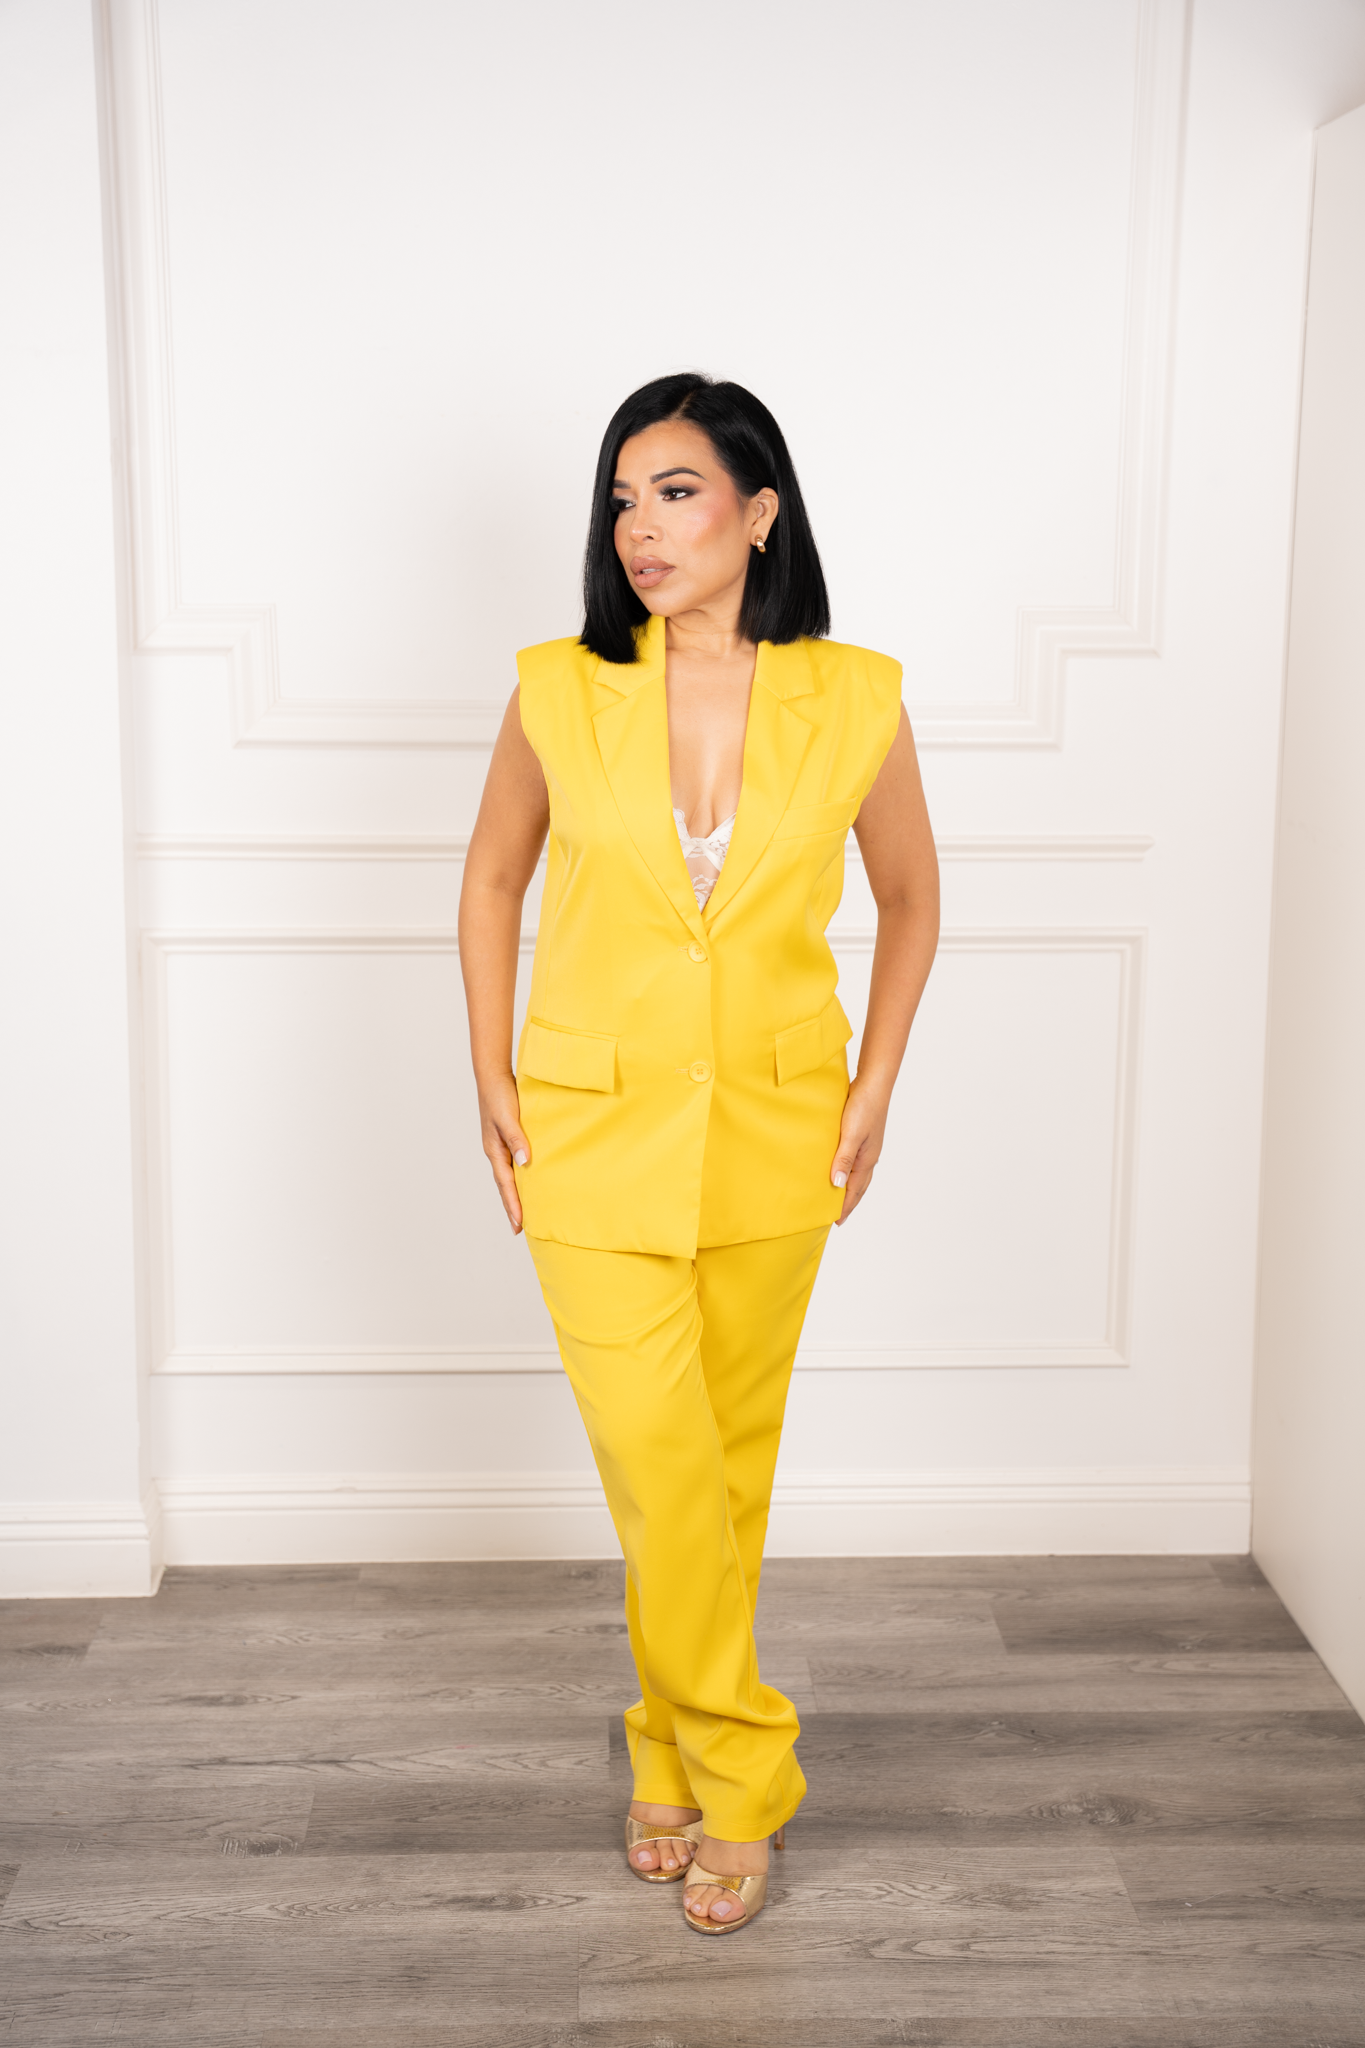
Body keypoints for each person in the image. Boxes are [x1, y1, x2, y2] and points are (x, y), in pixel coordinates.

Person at [458, 371, 939, 1933]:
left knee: (725, 1476)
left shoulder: (855, 696)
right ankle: (750, 1773)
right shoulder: (558, 689)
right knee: (661, 1471)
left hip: (779, 1137)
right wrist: (489, 1073)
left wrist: (875, 1084)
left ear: (759, 510)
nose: (640, 528)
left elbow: (912, 896)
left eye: (674, 492)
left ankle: (665, 1749)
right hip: (587, 1133)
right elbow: (493, 880)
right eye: (622, 499)